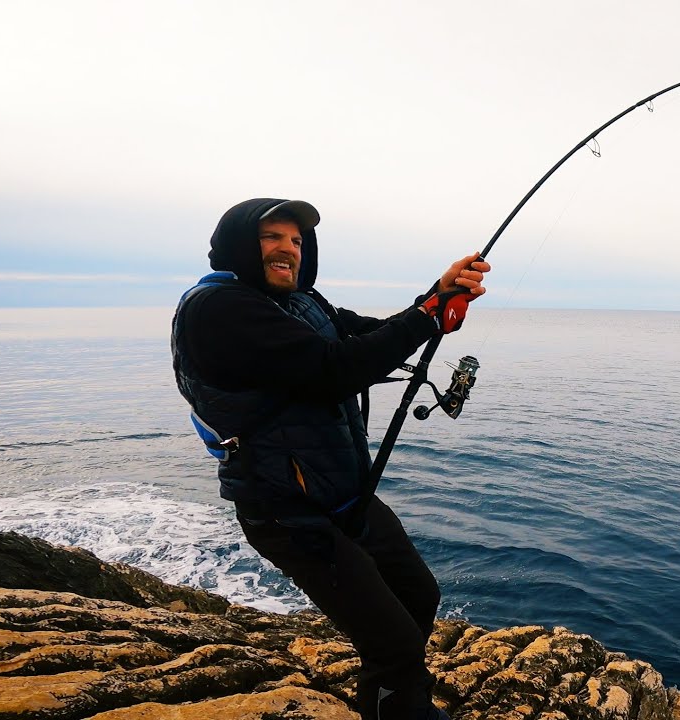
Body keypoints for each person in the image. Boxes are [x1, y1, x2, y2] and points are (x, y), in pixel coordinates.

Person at [170, 198, 489, 720]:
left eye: (296, 241)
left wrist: (437, 297)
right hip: (286, 510)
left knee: (418, 597)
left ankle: (389, 699)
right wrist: (426, 318)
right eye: (272, 237)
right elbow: (336, 368)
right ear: (238, 244)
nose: (287, 249)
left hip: (343, 494)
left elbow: (368, 334)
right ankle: (401, 704)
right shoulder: (218, 309)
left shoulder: (302, 302)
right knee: (393, 643)